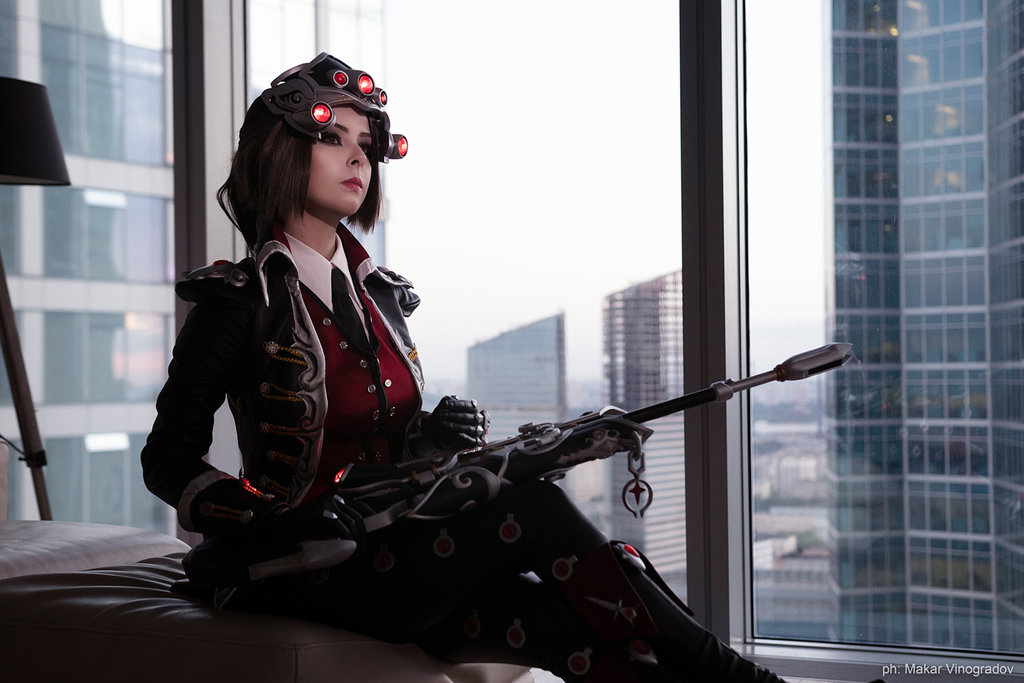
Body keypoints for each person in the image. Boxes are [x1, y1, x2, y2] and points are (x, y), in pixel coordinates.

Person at [142, 53, 882, 683]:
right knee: (531, 510)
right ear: (279, 150)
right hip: (295, 569)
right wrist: (271, 517)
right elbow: (167, 458)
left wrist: (432, 435)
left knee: (581, 634)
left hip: (392, 548)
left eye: (366, 144)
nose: (358, 159)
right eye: (333, 138)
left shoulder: (382, 297)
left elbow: (384, 452)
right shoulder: (237, 301)